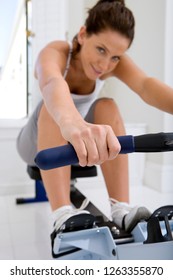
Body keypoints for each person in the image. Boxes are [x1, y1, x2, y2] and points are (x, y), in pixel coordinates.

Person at [17, 0, 173, 235]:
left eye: (115, 57)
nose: (105, 64)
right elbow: (51, 82)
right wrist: (71, 123)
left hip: (76, 141)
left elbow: (145, 86)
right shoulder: (56, 52)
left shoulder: (111, 63)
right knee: (52, 108)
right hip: (36, 143)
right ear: (82, 34)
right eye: (101, 49)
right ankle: (62, 215)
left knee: (107, 105)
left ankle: (121, 209)